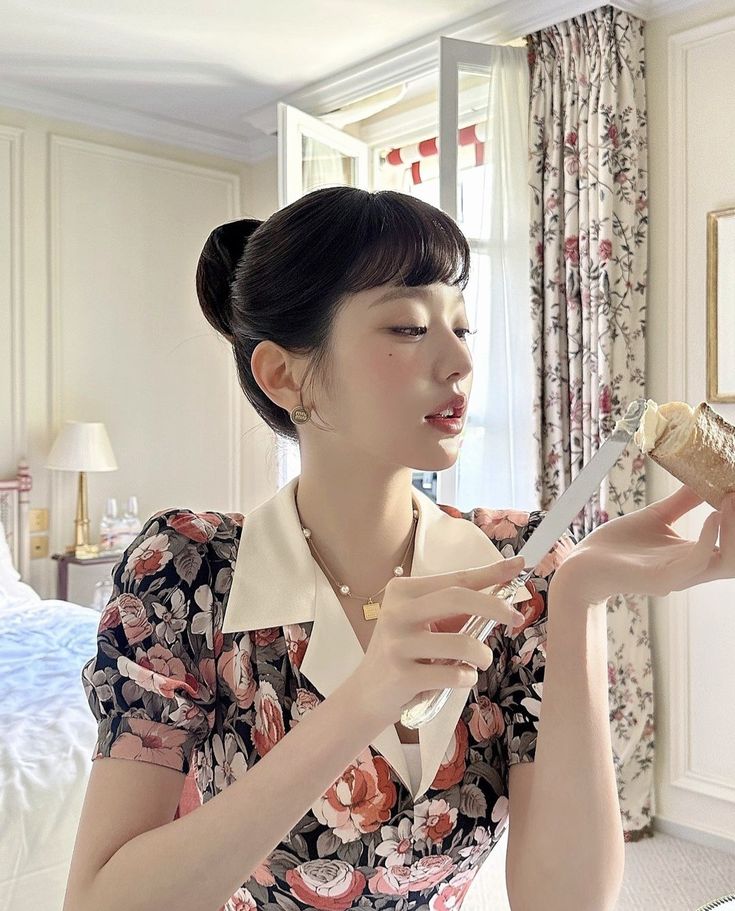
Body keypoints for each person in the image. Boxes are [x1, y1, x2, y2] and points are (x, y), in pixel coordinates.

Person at [64, 187, 733, 911]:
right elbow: (101, 900)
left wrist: (578, 597)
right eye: (409, 328)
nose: (457, 362)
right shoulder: (185, 568)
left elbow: (565, 902)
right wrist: (362, 699)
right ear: (284, 375)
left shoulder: (518, 561)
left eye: (462, 327)